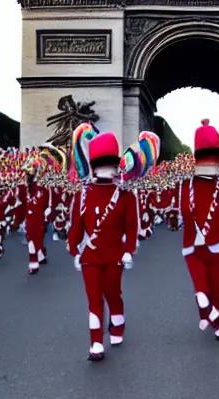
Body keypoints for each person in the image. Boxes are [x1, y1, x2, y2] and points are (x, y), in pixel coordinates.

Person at [68, 130, 138, 361]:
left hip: (114, 255)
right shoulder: (83, 194)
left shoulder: (126, 195)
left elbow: (131, 226)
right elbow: (76, 225)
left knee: (112, 293)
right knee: (94, 299)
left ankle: (117, 322)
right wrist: (74, 249)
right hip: (90, 256)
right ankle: (96, 342)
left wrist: (129, 251)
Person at [180, 119, 219, 341]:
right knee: (201, 288)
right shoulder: (184, 185)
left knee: (216, 290)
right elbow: (182, 211)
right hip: (192, 247)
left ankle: (212, 316)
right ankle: (212, 317)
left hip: (218, 243)